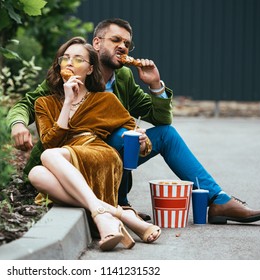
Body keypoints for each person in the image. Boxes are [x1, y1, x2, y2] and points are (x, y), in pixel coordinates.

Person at [7, 18, 260, 225]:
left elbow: (159, 118)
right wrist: (18, 124)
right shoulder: (69, 71)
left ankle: (217, 199)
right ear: (97, 43)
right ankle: (119, 202)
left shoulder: (123, 80)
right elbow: (27, 104)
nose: (123, 46)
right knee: (122, 133)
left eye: (127, 44)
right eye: (115, 40)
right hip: (66, 160)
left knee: (164, 134)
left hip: (107, 158)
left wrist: (155, 85)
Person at [28, 36, 161, 251]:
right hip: (64, 161)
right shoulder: (44, 103)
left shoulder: (105, 100)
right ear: (59, 64)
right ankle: (114, 214)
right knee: (36, 173)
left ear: (90, 69)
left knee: (48, 158)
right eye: (65, 58)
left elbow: (137, 138)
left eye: (79, 59)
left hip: (99, 155)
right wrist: (68, 101)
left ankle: (103, 216)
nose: (70, 63)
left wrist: (143, 140)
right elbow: (49, 144)